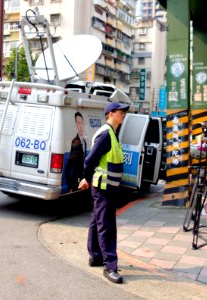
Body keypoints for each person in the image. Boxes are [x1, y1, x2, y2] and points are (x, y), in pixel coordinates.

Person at [78, 101, 129, 284]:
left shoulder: (112, 134)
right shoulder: (106, 135)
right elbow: (90, 160)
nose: (123, 114)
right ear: (110, 114)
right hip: (103, 188)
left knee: (96, 220)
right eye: (120, 111)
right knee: (107, 225)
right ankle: (110, 266)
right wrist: (86, 177)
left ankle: (95, 256)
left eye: (124, 111)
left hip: (106, 187)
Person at [65, 112, 87, 192]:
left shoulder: (84, 141)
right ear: (75, 125)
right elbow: (68, 167)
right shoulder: (75, 142)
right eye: (78, 123)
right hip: (75, 183)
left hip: (82, 181)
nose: (80, 126)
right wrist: (70, 185)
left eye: (81, 123)